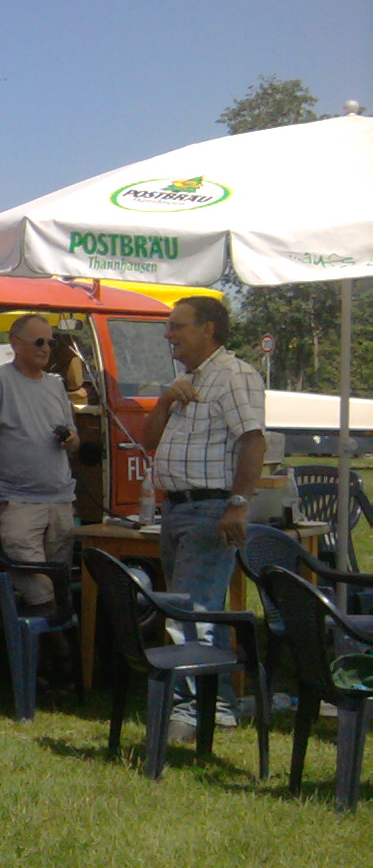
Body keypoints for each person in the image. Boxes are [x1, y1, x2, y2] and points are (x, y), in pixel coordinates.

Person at [142, 294, 266, 737]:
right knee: (193, 608)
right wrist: (163, 402)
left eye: (177, 326)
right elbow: (148, 441)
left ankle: (191, 712)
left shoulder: (234, 376)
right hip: (177, 508)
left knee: (189, 613)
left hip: (210, 508)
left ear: (207, 329)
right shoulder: (187, 380)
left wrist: (238, 504)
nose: (168, 334)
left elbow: (254, 440)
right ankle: (220, 706)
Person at [0, 313, 80, 612]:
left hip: (60, 500)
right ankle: (52, 638)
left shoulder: (55, 385)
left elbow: (74, 437)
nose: (46, 348)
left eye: (51, 342)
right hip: (18, 501)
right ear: (15, 344)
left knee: (58, 584)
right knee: (37, 589)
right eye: (39, 342)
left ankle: (51, 638)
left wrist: (71, 440)